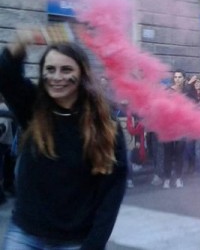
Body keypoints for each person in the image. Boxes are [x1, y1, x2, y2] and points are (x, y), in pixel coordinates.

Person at [0, 36, 127, 249]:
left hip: (75, 241)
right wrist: (20, 44)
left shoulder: (105, 125)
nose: (56, 77)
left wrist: (93, 245)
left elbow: (111, 193)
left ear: (83, 74)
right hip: (24, 234)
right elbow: (5, 75)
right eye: (50, 69)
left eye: (66, 70)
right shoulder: (33, 107)